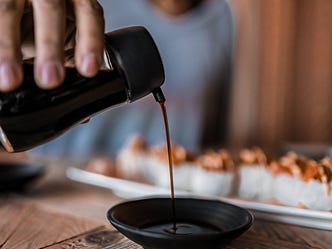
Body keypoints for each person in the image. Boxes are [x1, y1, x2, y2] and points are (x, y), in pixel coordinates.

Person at [0, 0, 234, 158]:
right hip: (61, 183)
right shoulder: (87, 5)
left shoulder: (225, 18)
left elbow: (219, 129)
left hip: (165, 192)